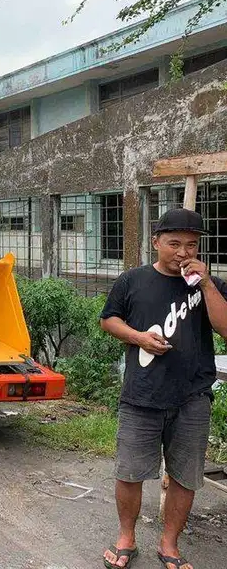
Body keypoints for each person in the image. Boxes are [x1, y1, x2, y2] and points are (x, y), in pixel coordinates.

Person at [100, 208, 227, 569]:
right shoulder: (133, 280)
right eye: (174, 243)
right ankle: (126, 537)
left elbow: (226, 328)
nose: (182, 252)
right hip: (141, 395)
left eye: (191, 245)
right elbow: (108, 319)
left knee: (186, 475)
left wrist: (204, 283)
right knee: (130, 471)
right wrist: (139, 337)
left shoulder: (210, 285)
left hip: (193, 397)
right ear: (155, 242)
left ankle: (169, 544)